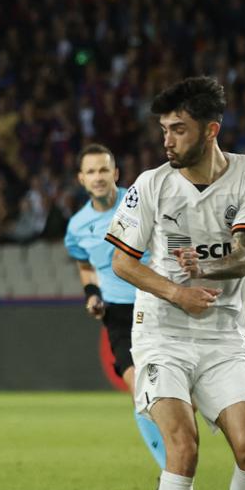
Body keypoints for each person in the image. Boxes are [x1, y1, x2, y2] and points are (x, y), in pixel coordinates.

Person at [106, 76, 245, 490]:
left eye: (178, 129)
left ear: (210, 130)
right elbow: (122, 261)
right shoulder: (151, 185)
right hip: (161, 333)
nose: (168, 140)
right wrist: (178, 291)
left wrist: (204, 269)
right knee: (183, 446)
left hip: (224, 334)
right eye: (164, 129)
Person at [64, 143, 165, 470]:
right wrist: (92, 294)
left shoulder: (139, 201)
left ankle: (179, 453)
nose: (98, 177)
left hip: (155, 301)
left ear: (116, 173)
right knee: (140, 393)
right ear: (81, 179)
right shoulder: (77, 227)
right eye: (91, 171)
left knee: (171, 394)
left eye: (104, 169)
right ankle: (169, 469)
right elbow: (84, 265)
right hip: (118, 314)